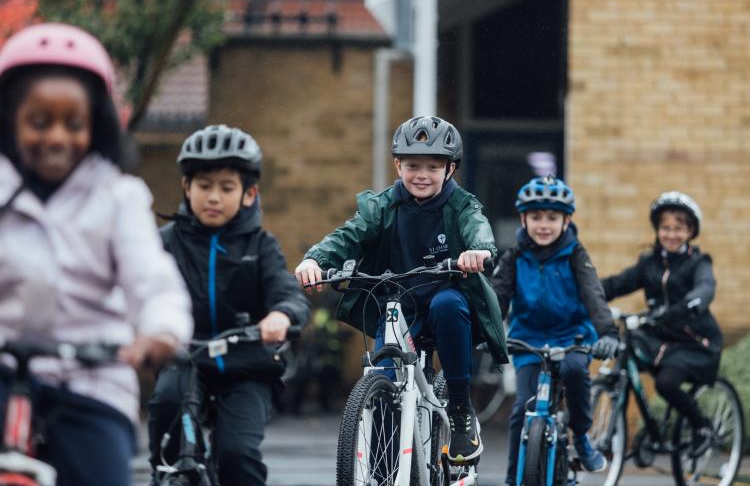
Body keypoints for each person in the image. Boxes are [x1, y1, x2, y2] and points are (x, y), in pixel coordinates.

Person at [0, 23, 193, 485]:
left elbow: (151, 278)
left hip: (91, 379)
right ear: (9, 120)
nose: (57, 138)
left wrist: (160, 332)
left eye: (74, 124)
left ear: (97, 125)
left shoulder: (118, 197)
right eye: (39, 122)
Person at [295, 115, 507, 462]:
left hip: (444, 299)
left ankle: (459, 409)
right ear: (398, 166)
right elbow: (348, 235)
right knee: (383, 380)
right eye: (412, 166)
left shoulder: (461, 205)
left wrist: (478, 251)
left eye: (433, 167)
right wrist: (315, 259)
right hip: (399, 303)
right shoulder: (382, 206)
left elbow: (477, 227)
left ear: (450, 169)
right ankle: (383, 469)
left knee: (447, 304)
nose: (422, 175)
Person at [147, 124, 310, 485]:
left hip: (246, 365)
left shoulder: (261, 246)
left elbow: (287, 292)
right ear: (186, 187)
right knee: (166, 406)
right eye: (204, 186)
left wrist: (281, 315)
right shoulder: (165, 243)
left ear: (249, 194)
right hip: (184, 358)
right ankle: (169, 473)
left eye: (226, 188)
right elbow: (139, 288)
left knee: (237, 453)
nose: (214, 197)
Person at [491, 175, 619, 484]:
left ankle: (582, 438)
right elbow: (498, 297)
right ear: (523, 220)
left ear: (566, 221)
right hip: (528, 341)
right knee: (522, 409)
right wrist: (487, 332)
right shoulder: (514, 257)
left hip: (571, 337)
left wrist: (608, 334)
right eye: (536, 217)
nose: (544, 225)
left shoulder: (576, 255)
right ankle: (512, 478)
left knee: (575, 374)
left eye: (552, 217)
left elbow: (594, 296)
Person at [601, 191, 721, 458]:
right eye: (665, 228)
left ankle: (701, 426)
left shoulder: (698, 263)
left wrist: (690, 304)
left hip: (694, 341)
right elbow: (618, 284)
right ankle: (644, 428)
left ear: (690, 231)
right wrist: (587, 291)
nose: (671, 234)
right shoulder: (649, 263)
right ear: (657, 230)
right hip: (659, 337)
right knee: (628, 348)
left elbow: (705, 287)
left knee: (666, 384)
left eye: (679, 229)